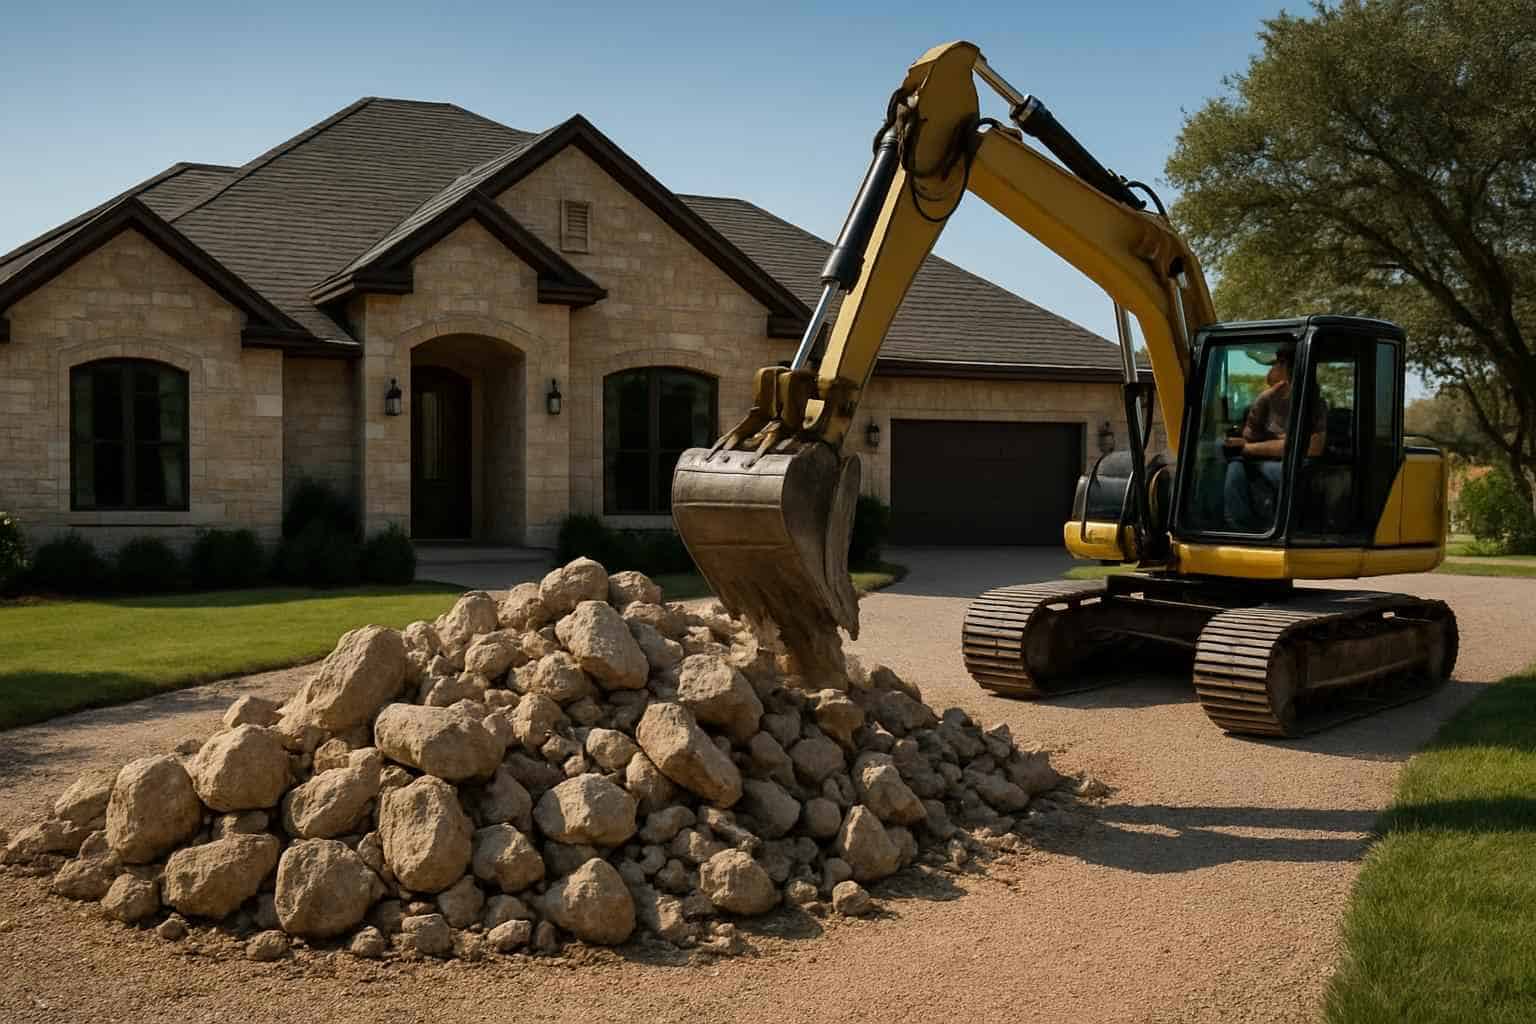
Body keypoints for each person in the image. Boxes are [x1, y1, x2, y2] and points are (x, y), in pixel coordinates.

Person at [1223, 347, 1326, 530]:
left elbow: (1312, 447)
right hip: (1267, 461)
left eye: (1278, 364)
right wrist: (1262, 400)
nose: (1271, 371)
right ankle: (1240, 528)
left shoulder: (1314, 404)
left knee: (1275, 471)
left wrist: (1248, 450)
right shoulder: (1268, 401)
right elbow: (1250, 437)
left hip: (1294, 466)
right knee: (1234, 466)